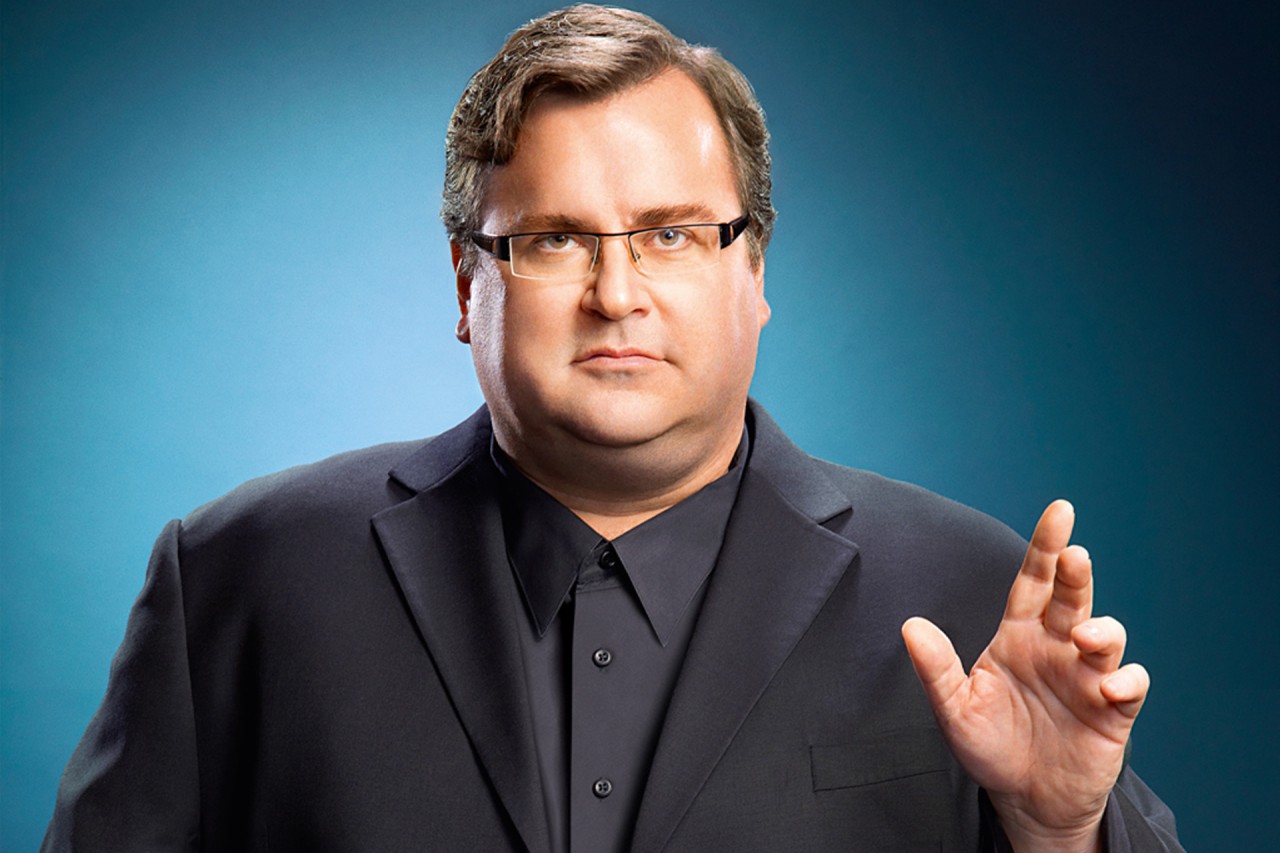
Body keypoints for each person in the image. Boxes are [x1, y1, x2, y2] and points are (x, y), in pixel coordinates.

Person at [43, 5, 1183, 852]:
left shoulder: (969, 590)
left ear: (754, 270)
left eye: (671, 234)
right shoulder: (237, 577)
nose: (617, 293)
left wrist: (1057, 832)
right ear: (466, 284)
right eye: (554, 239)